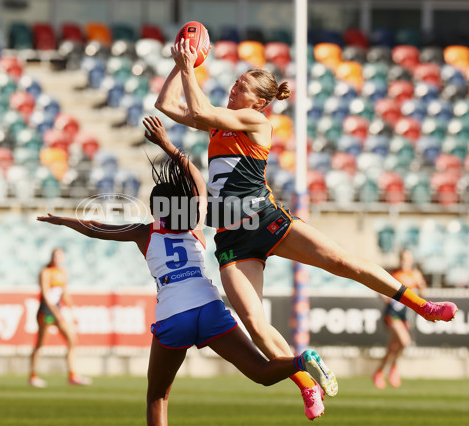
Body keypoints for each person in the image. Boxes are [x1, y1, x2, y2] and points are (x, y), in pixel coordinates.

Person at [154, 38, 458, 420]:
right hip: (231, 238)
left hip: (266, 220)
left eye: (242, 85)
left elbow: (198, 106)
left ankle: (422, 306)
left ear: (259, 101)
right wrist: (178, 64)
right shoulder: (218, 127)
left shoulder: (255, 121)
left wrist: (188, 65)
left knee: (344, 263)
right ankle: (306, 382)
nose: (234, 86)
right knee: (255, 324)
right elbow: (165, 105)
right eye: (235, 82)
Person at [37, 116, 337, 425]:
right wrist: (167, 145)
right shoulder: (196, 226)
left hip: (174, 314)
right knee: (261, 372)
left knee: (157, 396)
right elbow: (197, 179)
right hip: (209, 308)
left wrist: (63, 220)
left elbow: (97, 228)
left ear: (157, 209)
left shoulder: (145, 232)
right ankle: (302, 360)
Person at [29, 247, 91, 387]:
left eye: (59, 256)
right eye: (55, 256)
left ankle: (72, 374)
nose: (57, 258)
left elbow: (63, 293)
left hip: (57, 311)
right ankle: (33, 375)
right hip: (47, 311)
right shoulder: (45, 272)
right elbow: (45, 293)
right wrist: (56, 312)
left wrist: (71, 308)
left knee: (72, 339)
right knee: (41, 343)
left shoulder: (63, 273)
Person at [373, 249, 426, 389]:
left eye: (407, 259)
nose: (404, 261)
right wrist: (384, 297)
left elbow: (422, 293)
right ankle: (393, 367)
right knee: (405, 340)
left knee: (393, 348)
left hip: (405, 314)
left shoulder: (415, 274)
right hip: (392, 313)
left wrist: (421, 288)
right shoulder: (394, 273)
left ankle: (379, 371)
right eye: (402, 258)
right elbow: (379, 288)